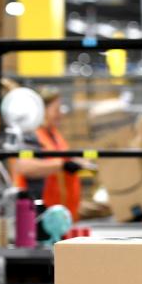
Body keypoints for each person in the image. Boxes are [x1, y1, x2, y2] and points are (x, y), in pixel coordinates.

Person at [11, 88, 96, 221]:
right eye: (56, 110)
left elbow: (60, 158)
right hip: (40, 216)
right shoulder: (32, 135)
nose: (60, 114)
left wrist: (78, 162)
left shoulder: (54, 135)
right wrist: (62, 165)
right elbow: (24, 166)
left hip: (60, 216)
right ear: (42, 111)